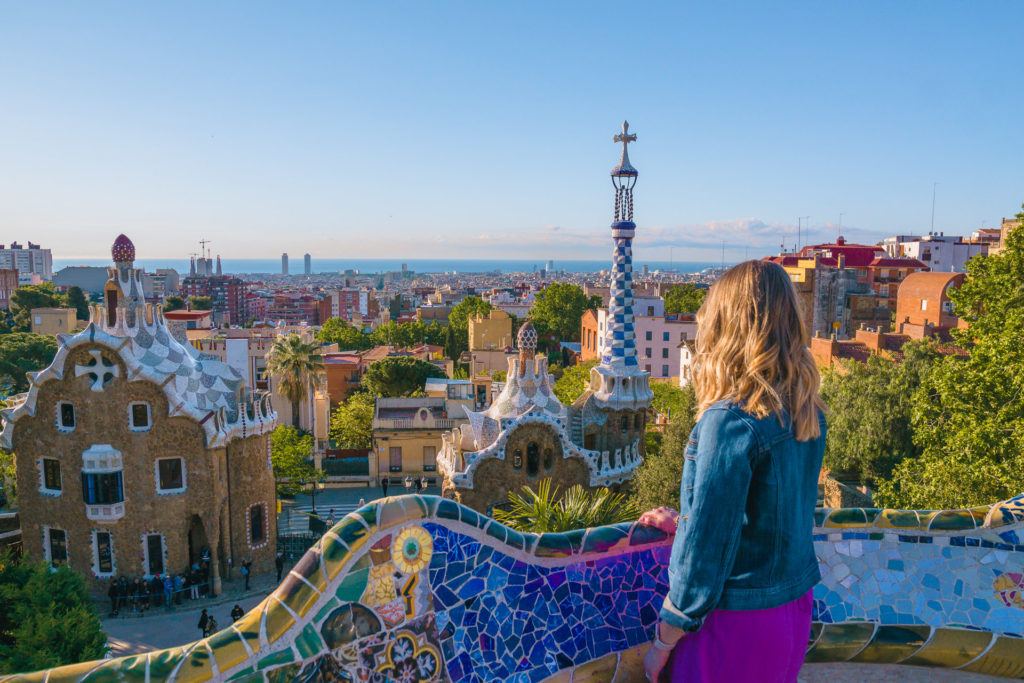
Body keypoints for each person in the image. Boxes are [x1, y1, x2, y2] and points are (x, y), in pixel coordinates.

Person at [640, 261, 827, 683]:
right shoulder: (805, 411)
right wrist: (684, 521)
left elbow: (705, 552)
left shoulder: (730, 422)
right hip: (792, 610)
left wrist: (663, 640)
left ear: (726, 327)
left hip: (735, 621)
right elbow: (765, 518)